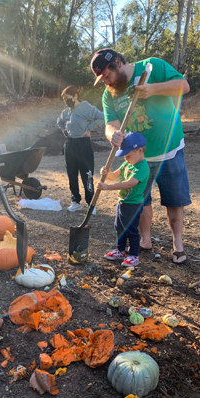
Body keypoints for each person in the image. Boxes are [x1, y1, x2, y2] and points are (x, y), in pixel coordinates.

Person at [91, 49, 191, 264]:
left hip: (169, 150)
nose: (106, 82)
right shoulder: (109, 94)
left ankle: (178, 244)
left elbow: (183, 86)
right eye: (102, 79)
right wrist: (113, 134)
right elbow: (110, 124)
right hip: (138, 158)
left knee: (174, 201)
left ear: (118, 63)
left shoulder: (153, 66)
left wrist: (152, 89)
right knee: (141, 200)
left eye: (107, 75)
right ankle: (145, 240)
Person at [98, 132, 149, 267]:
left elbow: (129, 183)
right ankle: (120, 251)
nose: (126, 159)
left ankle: (134, 256)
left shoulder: (142, 168)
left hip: (133, 204)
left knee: (131, 229)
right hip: (122, 201)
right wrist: (106, 173)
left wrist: (107, 187)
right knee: (119, 227)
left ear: (139, 151)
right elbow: (115, 175)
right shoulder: (128, 163)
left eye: (128, 156)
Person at [57, 85, 104, 214]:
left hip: (83, 144)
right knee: (72, 174)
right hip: (70, 144)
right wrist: (64, 129)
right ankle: (76, 202)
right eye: (64, 99)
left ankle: (91, 204)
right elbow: (59, 121)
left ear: (75, 96)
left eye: (68, 98)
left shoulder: (86, 107)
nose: (66, 101)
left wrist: (89, 128)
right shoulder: (66, 112)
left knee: (87, 174)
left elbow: (102, 116)